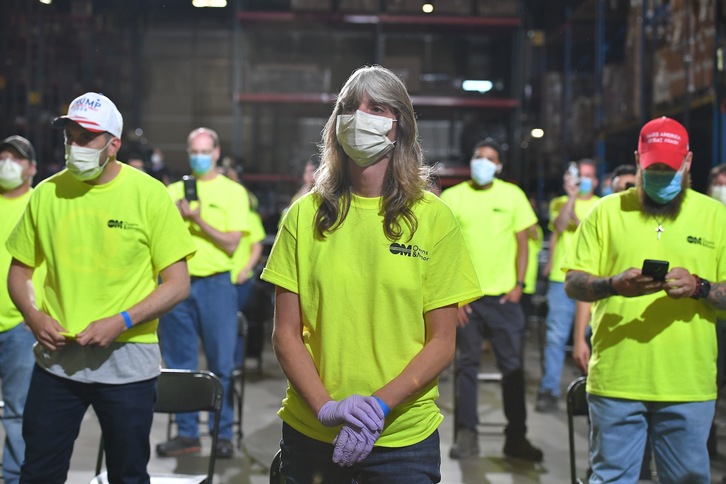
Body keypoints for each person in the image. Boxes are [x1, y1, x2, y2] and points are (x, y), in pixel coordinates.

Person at [260, 65, 482, 482]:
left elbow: (442, 341)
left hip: (402, 440)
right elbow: (285, 333)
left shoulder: (434, 220)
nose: (359, 117)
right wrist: (326, 407)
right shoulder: (304, 217)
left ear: (398, 127)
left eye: (376, 108)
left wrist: (378, 406)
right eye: (349, 107)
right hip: (312, 433)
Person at [5, 92, 195, 483]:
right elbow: (19, 273)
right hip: (57, 363)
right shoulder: (47, 194)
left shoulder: (149, 195)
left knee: (127, 474)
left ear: (114, 145)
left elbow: (177, 284)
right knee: (38, 472)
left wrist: (122, 320)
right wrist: (33, 314)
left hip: (127, 364)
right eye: (70, 136)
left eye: (86, 138)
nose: (75, 147)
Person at [563, 116, 726, 482]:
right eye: (653, 168)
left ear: (688, 162)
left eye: (670, 168)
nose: (661, 176)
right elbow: (573, 282)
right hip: (617, 380)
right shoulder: (606, 213)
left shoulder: (717, 217)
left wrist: (699, 287)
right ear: (638, 160)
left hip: (687, 383)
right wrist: (613, 284)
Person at [442, 139, 543, 462]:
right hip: (467, 300)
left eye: (490, 159)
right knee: (466, 367)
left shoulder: (511, 196)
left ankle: (516, 438)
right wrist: (453, 299)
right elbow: (444, 251)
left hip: (504, 300)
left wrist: (518, 286)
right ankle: (467, 436)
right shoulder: (453, 198)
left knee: (512, 369)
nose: (483, 163)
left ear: (499, 166)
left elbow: (523, 241)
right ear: (471, 160)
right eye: (479, 156)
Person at [157, 127, 250, 460]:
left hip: (216, 285)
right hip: (177, 285)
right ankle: (186, 434)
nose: (198, 156)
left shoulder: (232, 192)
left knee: (221, 363)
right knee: (179, 366)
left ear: (215, 152)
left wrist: (197, 221)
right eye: (192, 150)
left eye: (204, 150)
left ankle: (221, 434)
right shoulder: (169, 193)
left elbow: (232, 242)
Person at [535, 158, 599, 413]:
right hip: (561, 281)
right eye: (578, 175)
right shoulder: (559, 203)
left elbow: (587, 231)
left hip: (591, 280)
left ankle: (593, 390)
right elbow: (560, 226)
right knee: (555, 337)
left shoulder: (601, 206)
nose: (582, 180)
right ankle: (549, 389)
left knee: (591, 337)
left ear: (594, 180)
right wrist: (571, 198)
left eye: (586, 176)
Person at [0, 135, 42, 484]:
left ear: (32, 168)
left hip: (19, 325)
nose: (7, 164)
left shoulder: (40, 204)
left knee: (18, 411)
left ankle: (13, 478)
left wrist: (35, 313)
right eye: (3, 157)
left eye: (16, 158)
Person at [230, 191, 266, 366]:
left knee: (236, 321)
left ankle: (236, 362)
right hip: (222, 277)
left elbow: (256, 247)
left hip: (240, 280)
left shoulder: (250, 217)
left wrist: (245, 270)